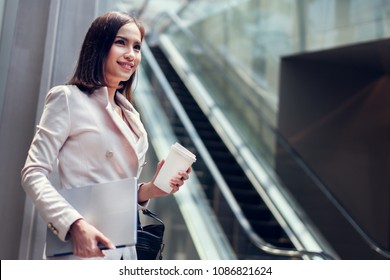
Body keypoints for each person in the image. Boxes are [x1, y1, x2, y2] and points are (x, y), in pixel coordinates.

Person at [20, 11, 191, 260]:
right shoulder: (67, 99)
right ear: (99, 45)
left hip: (125, 252)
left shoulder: (133, 118)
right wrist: (74, 224)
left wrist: (151, 190)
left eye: (137, 47)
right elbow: (32, 173)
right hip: (82, 249)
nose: (131, 55)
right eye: (120, 42)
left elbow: (112, 189)